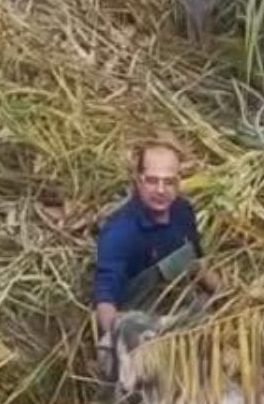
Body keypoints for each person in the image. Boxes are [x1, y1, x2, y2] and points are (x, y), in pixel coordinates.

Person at [93, 139, 222, 385]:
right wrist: (121, 341)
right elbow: (105, 299)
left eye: (169, 182)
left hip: (179, 310)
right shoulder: (120, 232)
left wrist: (227, 295)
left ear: (179, 182)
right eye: (152, 180)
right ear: (138, 179)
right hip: (141, 320)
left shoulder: (183, 212)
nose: (161, 190)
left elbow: (196, 263)